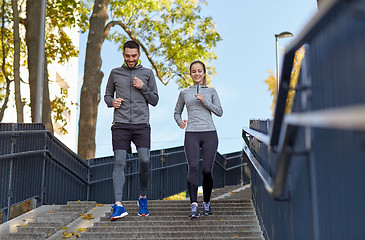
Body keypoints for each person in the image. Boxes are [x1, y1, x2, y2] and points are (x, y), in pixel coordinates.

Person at [104, 40, 159, 220]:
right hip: (120, 124)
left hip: (142, 124)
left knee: (144, 160)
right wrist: (112, 102)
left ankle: (142, 197)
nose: (130, 59)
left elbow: (155, 100)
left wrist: (143, 87)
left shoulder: (148, 74)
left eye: (134, 56)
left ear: (139, 55)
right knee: (119, 162)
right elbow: (107, 96)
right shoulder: (115, 73)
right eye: (127, 56)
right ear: (123, 55)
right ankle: (118, 205)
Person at [174, 60, 223, 218]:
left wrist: (204, 100)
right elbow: (177, 112)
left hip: (209, 133)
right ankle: (194, 205)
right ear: (190, 74)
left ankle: (206, 203)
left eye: (199, 71)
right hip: (191, 134)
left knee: (207, 170)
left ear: (204, 73)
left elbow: (219, 112)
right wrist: (179, 121)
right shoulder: (184, 93)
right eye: (193, 71)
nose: (196, 74)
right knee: (193, 167)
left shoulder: (211, 91)